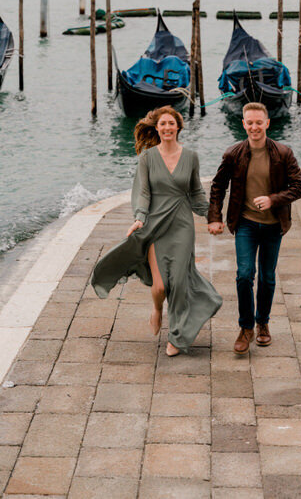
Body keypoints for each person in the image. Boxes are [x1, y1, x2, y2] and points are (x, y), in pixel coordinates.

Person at [91, 105, 222, 356]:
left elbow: (195, 193)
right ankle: (157, 309)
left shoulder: (191, 156)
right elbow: (143, 193)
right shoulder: (147, 158)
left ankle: (177, 336)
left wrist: (213, 216)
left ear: (178, 127)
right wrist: (139, 218)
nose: (167, 128)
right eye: (162, 124)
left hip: (182, 224)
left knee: (181, 281)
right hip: (155, 224)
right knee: (161, 286)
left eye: (171, 123)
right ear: (157, 128)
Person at [207, 101, 301, 354]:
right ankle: (246, 327)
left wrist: (273, 199)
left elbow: (299, 187)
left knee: (267, 277)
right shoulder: (233, 154)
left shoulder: (283, 153)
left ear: (267, 123)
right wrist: (214, 217)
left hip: (274, 225)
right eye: (249, 123)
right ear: (243, 124)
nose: (254, 127)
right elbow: (218, 186)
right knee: (244, 274)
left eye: (258, 122)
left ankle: (263, 323)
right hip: (246, 225)